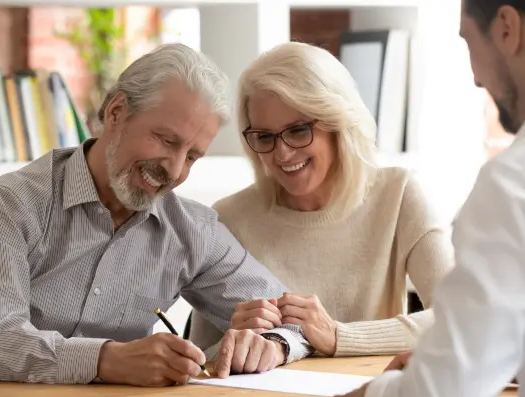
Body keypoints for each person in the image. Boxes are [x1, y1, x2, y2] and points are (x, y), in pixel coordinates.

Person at [0, 43, 314, 387]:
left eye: (192, 156)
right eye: (167, 140)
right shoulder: (9, 205)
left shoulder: (193, 230)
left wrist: (273, 343)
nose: (174, 171)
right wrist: (108, 360)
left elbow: (294, 321)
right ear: (116, 112)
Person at [323, 1, 525, 397]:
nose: (474, 77)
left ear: (507, 29)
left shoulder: (511, 188)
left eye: (469, 42)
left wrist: (382, 393)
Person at [189, 41, 454, 358]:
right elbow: (199, 361)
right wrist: (233, 339)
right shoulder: (229, 218)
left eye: (298, 130)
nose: (282, 153)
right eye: (265, 137)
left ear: (338, 123)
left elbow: (460, 316)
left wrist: (339, 336)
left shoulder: (399, 194)